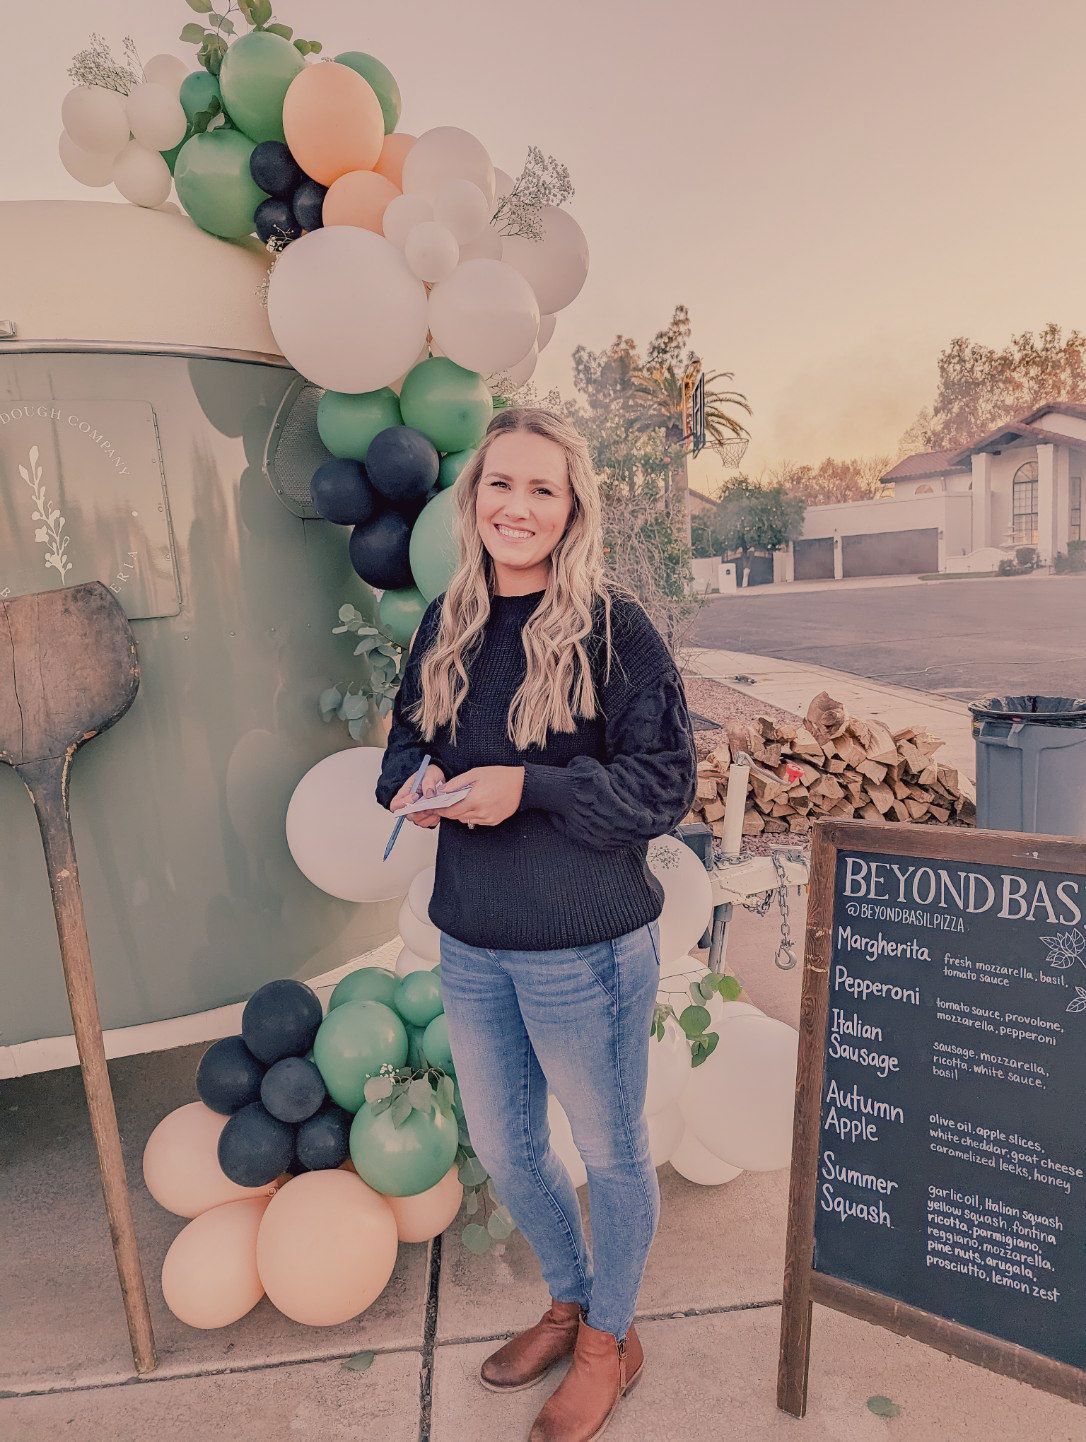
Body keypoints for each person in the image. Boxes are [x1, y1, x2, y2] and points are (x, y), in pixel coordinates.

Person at [375, 405, 697, 1442]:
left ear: (571, 509)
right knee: (510, 1150)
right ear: (474, 500)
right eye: (499, 484)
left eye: (541, 489)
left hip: (587, 948)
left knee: (609, 1152)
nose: (516, 505)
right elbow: (401, 741)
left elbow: (666, 784)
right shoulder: (448, 621)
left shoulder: (614, 627)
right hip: (472, 938)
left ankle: (610, 1337)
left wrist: (534, 789)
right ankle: (567, 1297)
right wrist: (410, 780)